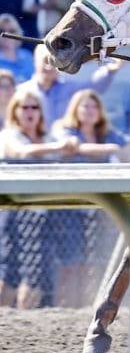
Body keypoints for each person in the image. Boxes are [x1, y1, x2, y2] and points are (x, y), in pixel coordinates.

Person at [51, 89, 130, 307]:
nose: (89, 110)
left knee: (95, 261)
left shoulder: (108, 133)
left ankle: (88, 304)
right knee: (69, 263)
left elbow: (129, 149)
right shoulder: (64, 128)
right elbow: (74, 147)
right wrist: (111, 149)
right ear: (75, 109)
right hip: (70, 204)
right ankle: (64, 306)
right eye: (85, 106)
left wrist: (114, 149)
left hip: (100, 206)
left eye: (94, 106)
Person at [0, 85, 76, 309]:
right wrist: (59, 146)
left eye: (35, 107)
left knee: (36, 271)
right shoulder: (8, 135)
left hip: (43, 215)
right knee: (9, 268)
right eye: (25, 107)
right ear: (15, 111)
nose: (30, 112)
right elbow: (21, 151)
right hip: (12, 212)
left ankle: (25, 316)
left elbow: (69, 148)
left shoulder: (48, 137)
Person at [21, 44, 121, 129]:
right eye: (46, 61)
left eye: (54, 62)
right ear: (35, 62)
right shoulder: (22, 92)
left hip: (65, 144)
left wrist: (110, 71)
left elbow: (94, 88)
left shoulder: (69, 88)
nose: (49, 67)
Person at [0, 15, 33, 83]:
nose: (7, 34)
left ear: (18, 33)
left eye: (12, 31)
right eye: (1, 31)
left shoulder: (27, 56)